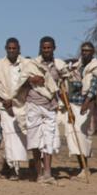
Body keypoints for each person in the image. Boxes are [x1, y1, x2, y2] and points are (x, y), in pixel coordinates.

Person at [59, 42, 97, 179]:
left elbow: (93, 85)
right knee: (72, 134)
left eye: (88, 50)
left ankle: (85, 167)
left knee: (81, 134)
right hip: (73, 103)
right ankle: (82, 167)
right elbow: (72, 82)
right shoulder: (77, 65)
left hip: (85, 104)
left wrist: (86, 102)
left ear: (93, 52)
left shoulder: (96, 66)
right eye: (83, 50)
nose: (85, 53)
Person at [0, 38, 32, 178]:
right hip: (5, 106)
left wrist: (15, 101)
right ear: (5, 48)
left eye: (14, 48)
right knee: (10, 138)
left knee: (26, 137)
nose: (12, 51)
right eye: (9, 48)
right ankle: (14, 169)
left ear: (19, 49)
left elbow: (29, 83)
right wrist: (6, 101)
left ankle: (33, 167)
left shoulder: (27, 64)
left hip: (24, 105)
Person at [24, 37, 62, 183]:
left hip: (50, 106)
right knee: (34, 140)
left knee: (49, 139)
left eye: (49, 48)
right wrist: (31, 80)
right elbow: (21, 81)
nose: (46, 50)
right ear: (40, 48)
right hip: (33, 104)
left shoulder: (57, 66)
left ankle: (48, 173)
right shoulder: (32, 65)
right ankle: (38, 174)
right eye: (44, 48)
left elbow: (60, 85)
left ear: (54, 48)